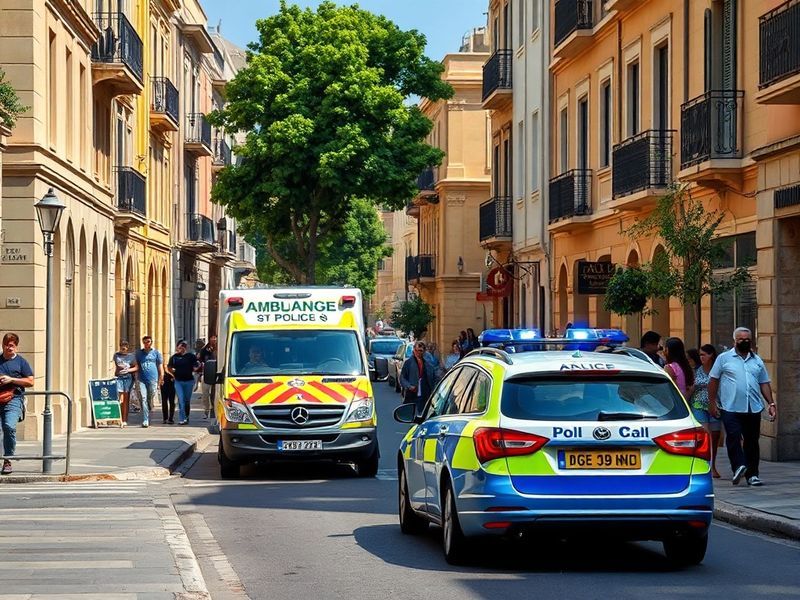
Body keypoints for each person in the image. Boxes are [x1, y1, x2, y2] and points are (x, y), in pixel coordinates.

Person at [708, 327, 776, 487]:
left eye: (747, 339)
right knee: (733, 436)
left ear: (751, 340)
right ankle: (739, 466)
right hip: (730, 407)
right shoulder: (724, 359)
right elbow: (713, 381)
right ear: (734, 341)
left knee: (752, 441)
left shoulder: (757, 360)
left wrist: (771, 403)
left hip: (753, 407)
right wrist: (712, 402)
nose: (744, 341)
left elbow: (764, 383)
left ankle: (753, 475)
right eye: (741, 339)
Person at [0, 333, 34, 475]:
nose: (9, 347)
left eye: (12, 345)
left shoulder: (21, 362)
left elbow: (30, 381)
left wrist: (11, 380)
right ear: (3, 345)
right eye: (7, 344)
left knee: (8, 426)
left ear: (16, 347)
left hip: (13, 399)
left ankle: (8, 459)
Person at [689, 345, 722, 479]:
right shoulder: (696, 371)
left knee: (715, 437)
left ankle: (713, 465)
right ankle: (705, 465)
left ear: (711, 355)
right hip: (698, 405)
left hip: (715, 406)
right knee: (706, 435)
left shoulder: (718, 371)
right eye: (700, 355)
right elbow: (691, 388)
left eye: (704, 355)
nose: (701, 357)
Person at [167, 340, 200, 426]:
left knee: (186, 401)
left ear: (185, 348)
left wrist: (196, 368)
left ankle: (187, 416)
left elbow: (197, 364)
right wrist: (172, 372)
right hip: (178, 381)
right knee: (180, 400)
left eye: (182, 347)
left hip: (189, 381)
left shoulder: (191, 356)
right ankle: (182, 419)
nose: (180, 349)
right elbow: (169, 367)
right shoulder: (174, 357)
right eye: (179, 347)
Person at [400, 341, 437, 415]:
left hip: (425, 394)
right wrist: (409, 386)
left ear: (424, 351)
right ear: (414, 350)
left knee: (423, 413)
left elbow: (433, 377)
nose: (418, 353)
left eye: (420, 351)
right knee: (411, 414)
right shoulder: (409, 363)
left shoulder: (428, 363)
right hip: (412, 393)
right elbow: (402, 378)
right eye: (416, 350)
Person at [135, 335, 164, 428]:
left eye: (148, 341)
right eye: (145, 342)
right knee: (143, 398)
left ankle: (149, 404)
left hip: (153, 379)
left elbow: (160, 366)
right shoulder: (139, 353)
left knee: (150, 396)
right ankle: (145, 419)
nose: (146, 343)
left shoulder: (156, 353)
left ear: (151, 342)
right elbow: (136, 365)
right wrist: (136, 378)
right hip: (142, 379)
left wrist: (161, 378)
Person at [112, 340, 138, 427]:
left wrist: (128, 370)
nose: (124, 347)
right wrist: (116, 372)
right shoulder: (116, 355)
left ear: (128, 347)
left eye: (125, 346)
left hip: (128, 378)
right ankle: (118, 418)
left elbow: (136, 367)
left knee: (125, 399)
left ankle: (124, 419)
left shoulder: (131, 356)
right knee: (120, 399)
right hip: (119, 378)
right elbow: (116, 366)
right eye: (122, 346)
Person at [199, 335, 217, 420]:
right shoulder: (204, 350)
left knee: (215, 394)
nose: (214, 339)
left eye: (215, 338)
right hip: (206, 374)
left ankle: (214, 410)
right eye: (212, 337)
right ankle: (206, 411)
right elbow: (200, 360)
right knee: (205, 394)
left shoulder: (221, 348)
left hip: (217, 375)